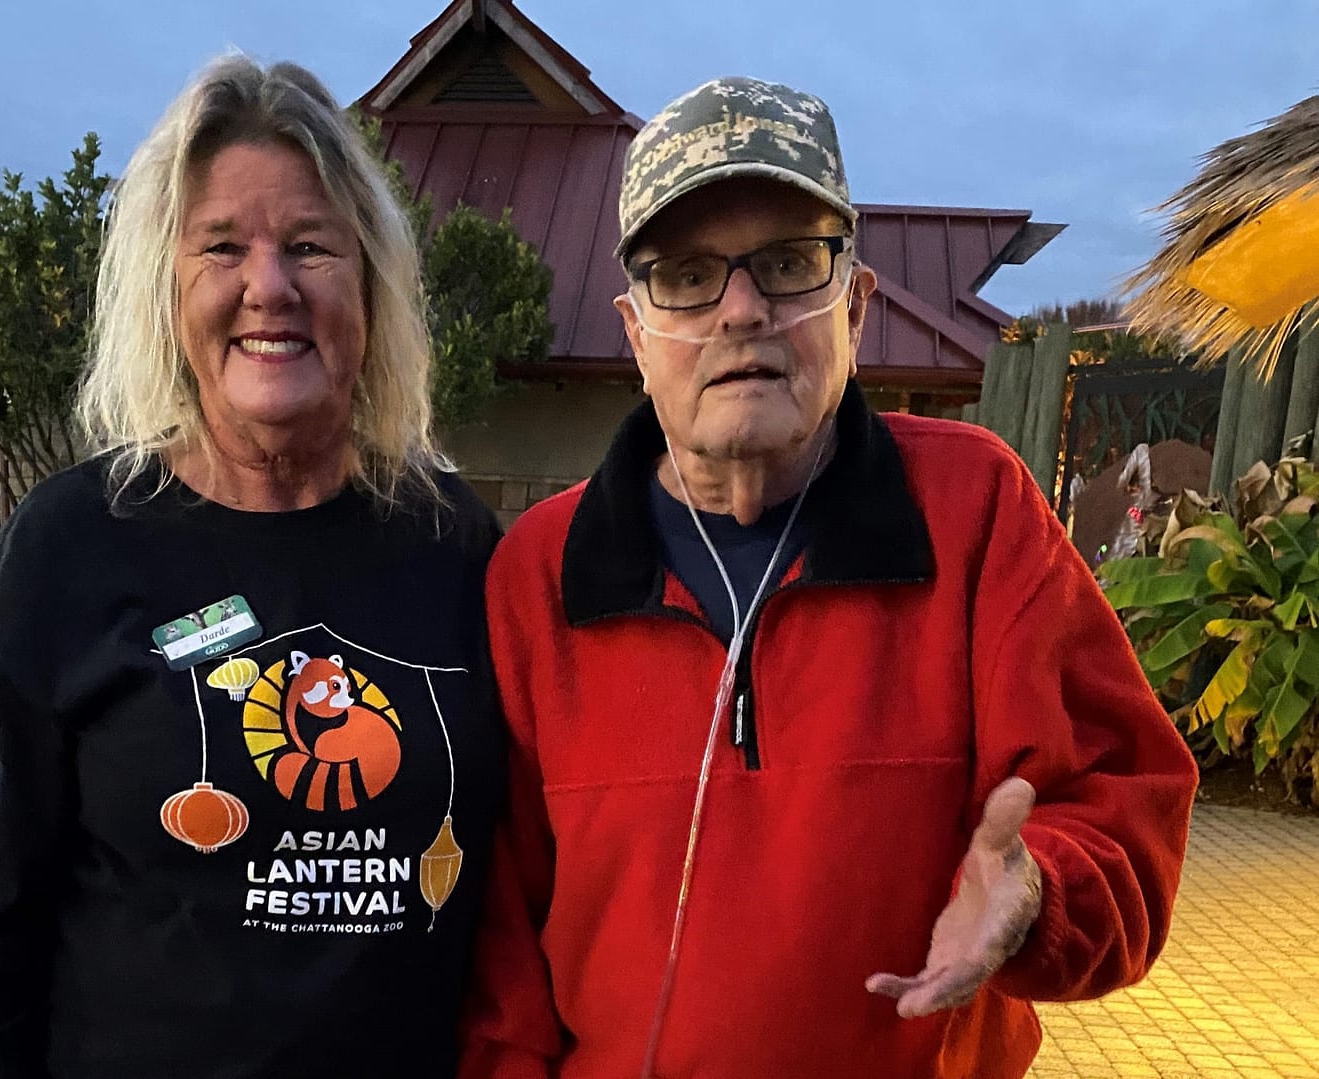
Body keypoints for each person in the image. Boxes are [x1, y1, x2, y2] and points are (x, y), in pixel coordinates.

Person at [460, 76, 1197, 1079]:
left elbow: (1125, 812)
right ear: (636, 335)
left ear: (851, 303)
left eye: (787, 262)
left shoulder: (975, 511)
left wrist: (1038, 894)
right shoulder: (536, 576)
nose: (740, 310)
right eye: (685, 274)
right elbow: (499, 951)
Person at [0, 54, 504, 1078]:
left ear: (367, 283)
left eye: (311, 246)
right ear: (168, 287)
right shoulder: (71, 543)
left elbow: (526, 885)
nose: (266, 287)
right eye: (221, 246)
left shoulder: (454, 543)